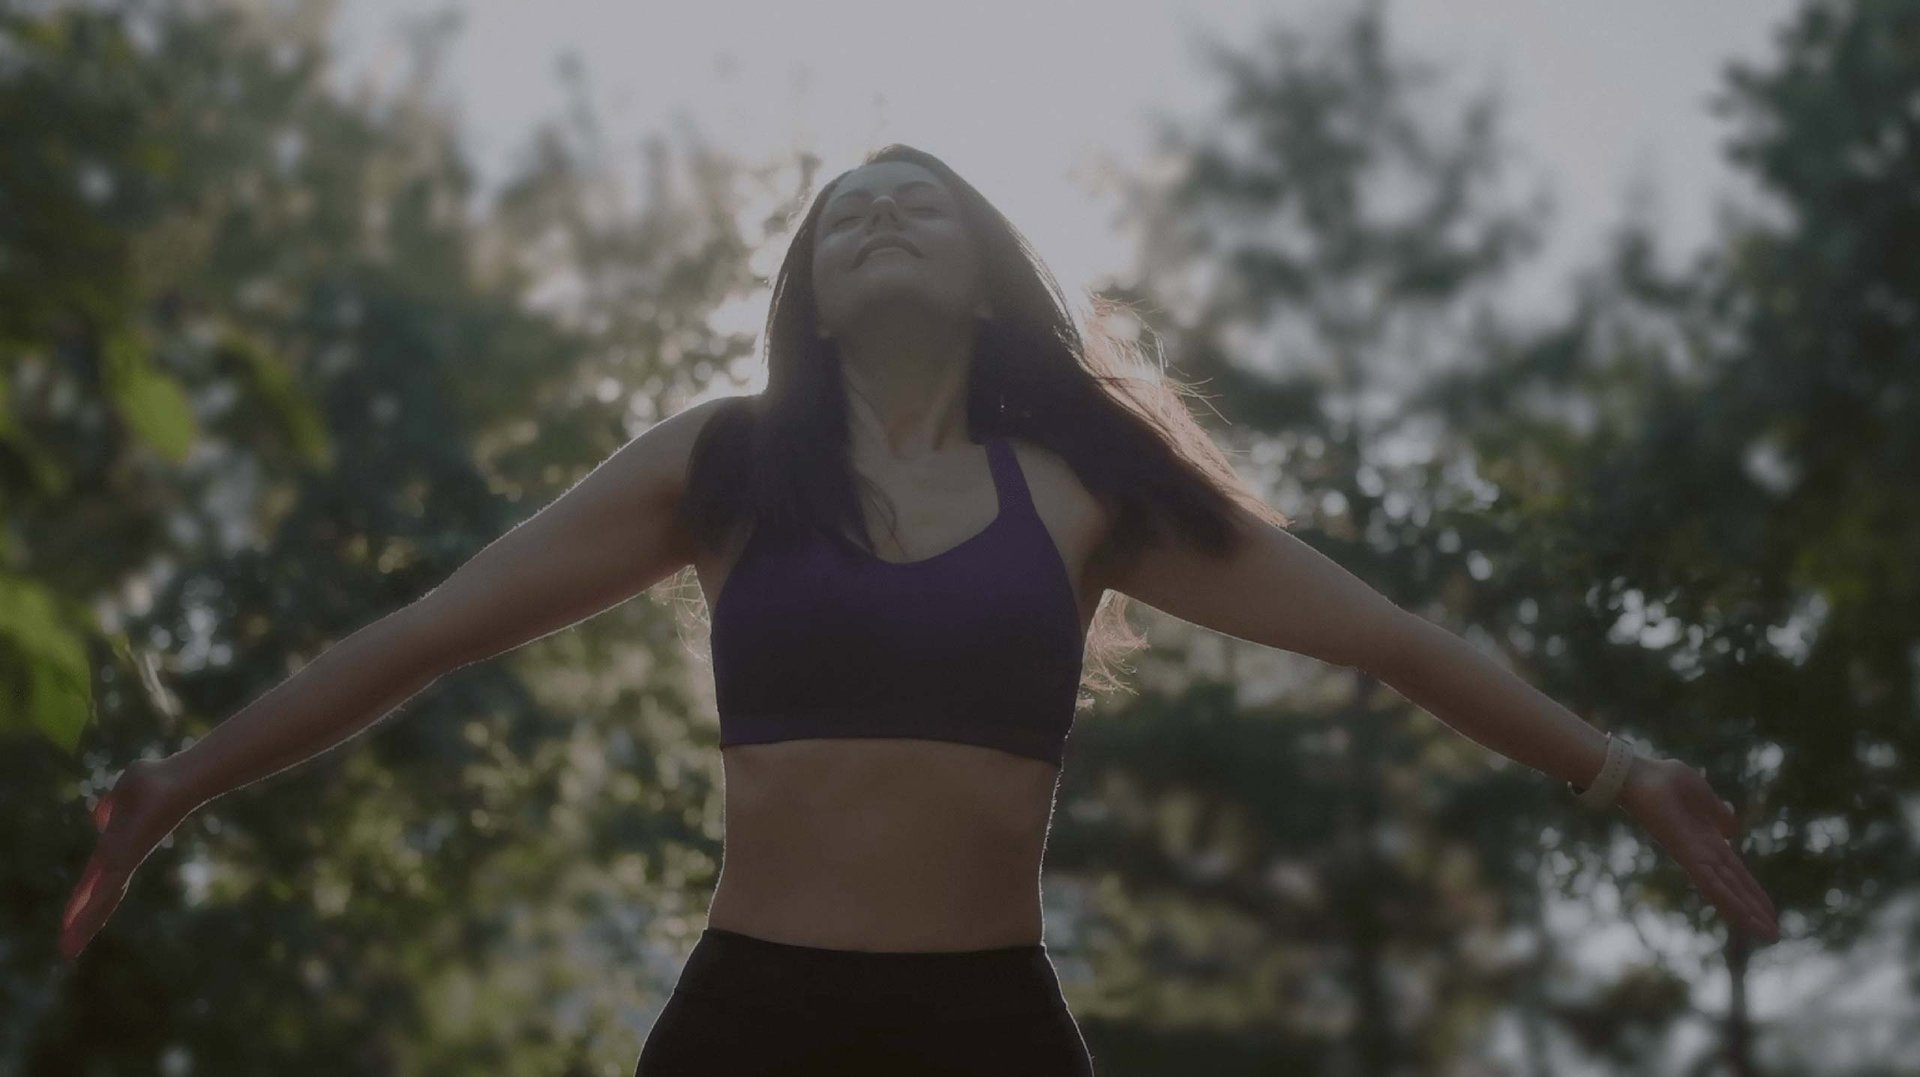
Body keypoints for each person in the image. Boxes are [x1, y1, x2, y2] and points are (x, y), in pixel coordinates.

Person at [58, 144, 1780, 1076]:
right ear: (808, 287)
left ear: (981, 271)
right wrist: (180, 781)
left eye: (918, 204)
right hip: (746, 1024)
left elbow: (1391, 639)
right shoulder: (722, 465)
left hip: (990, 1030)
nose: (877, 220)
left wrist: (1623, 773)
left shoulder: (1089, 485)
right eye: (843, 217)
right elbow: (432, 629)